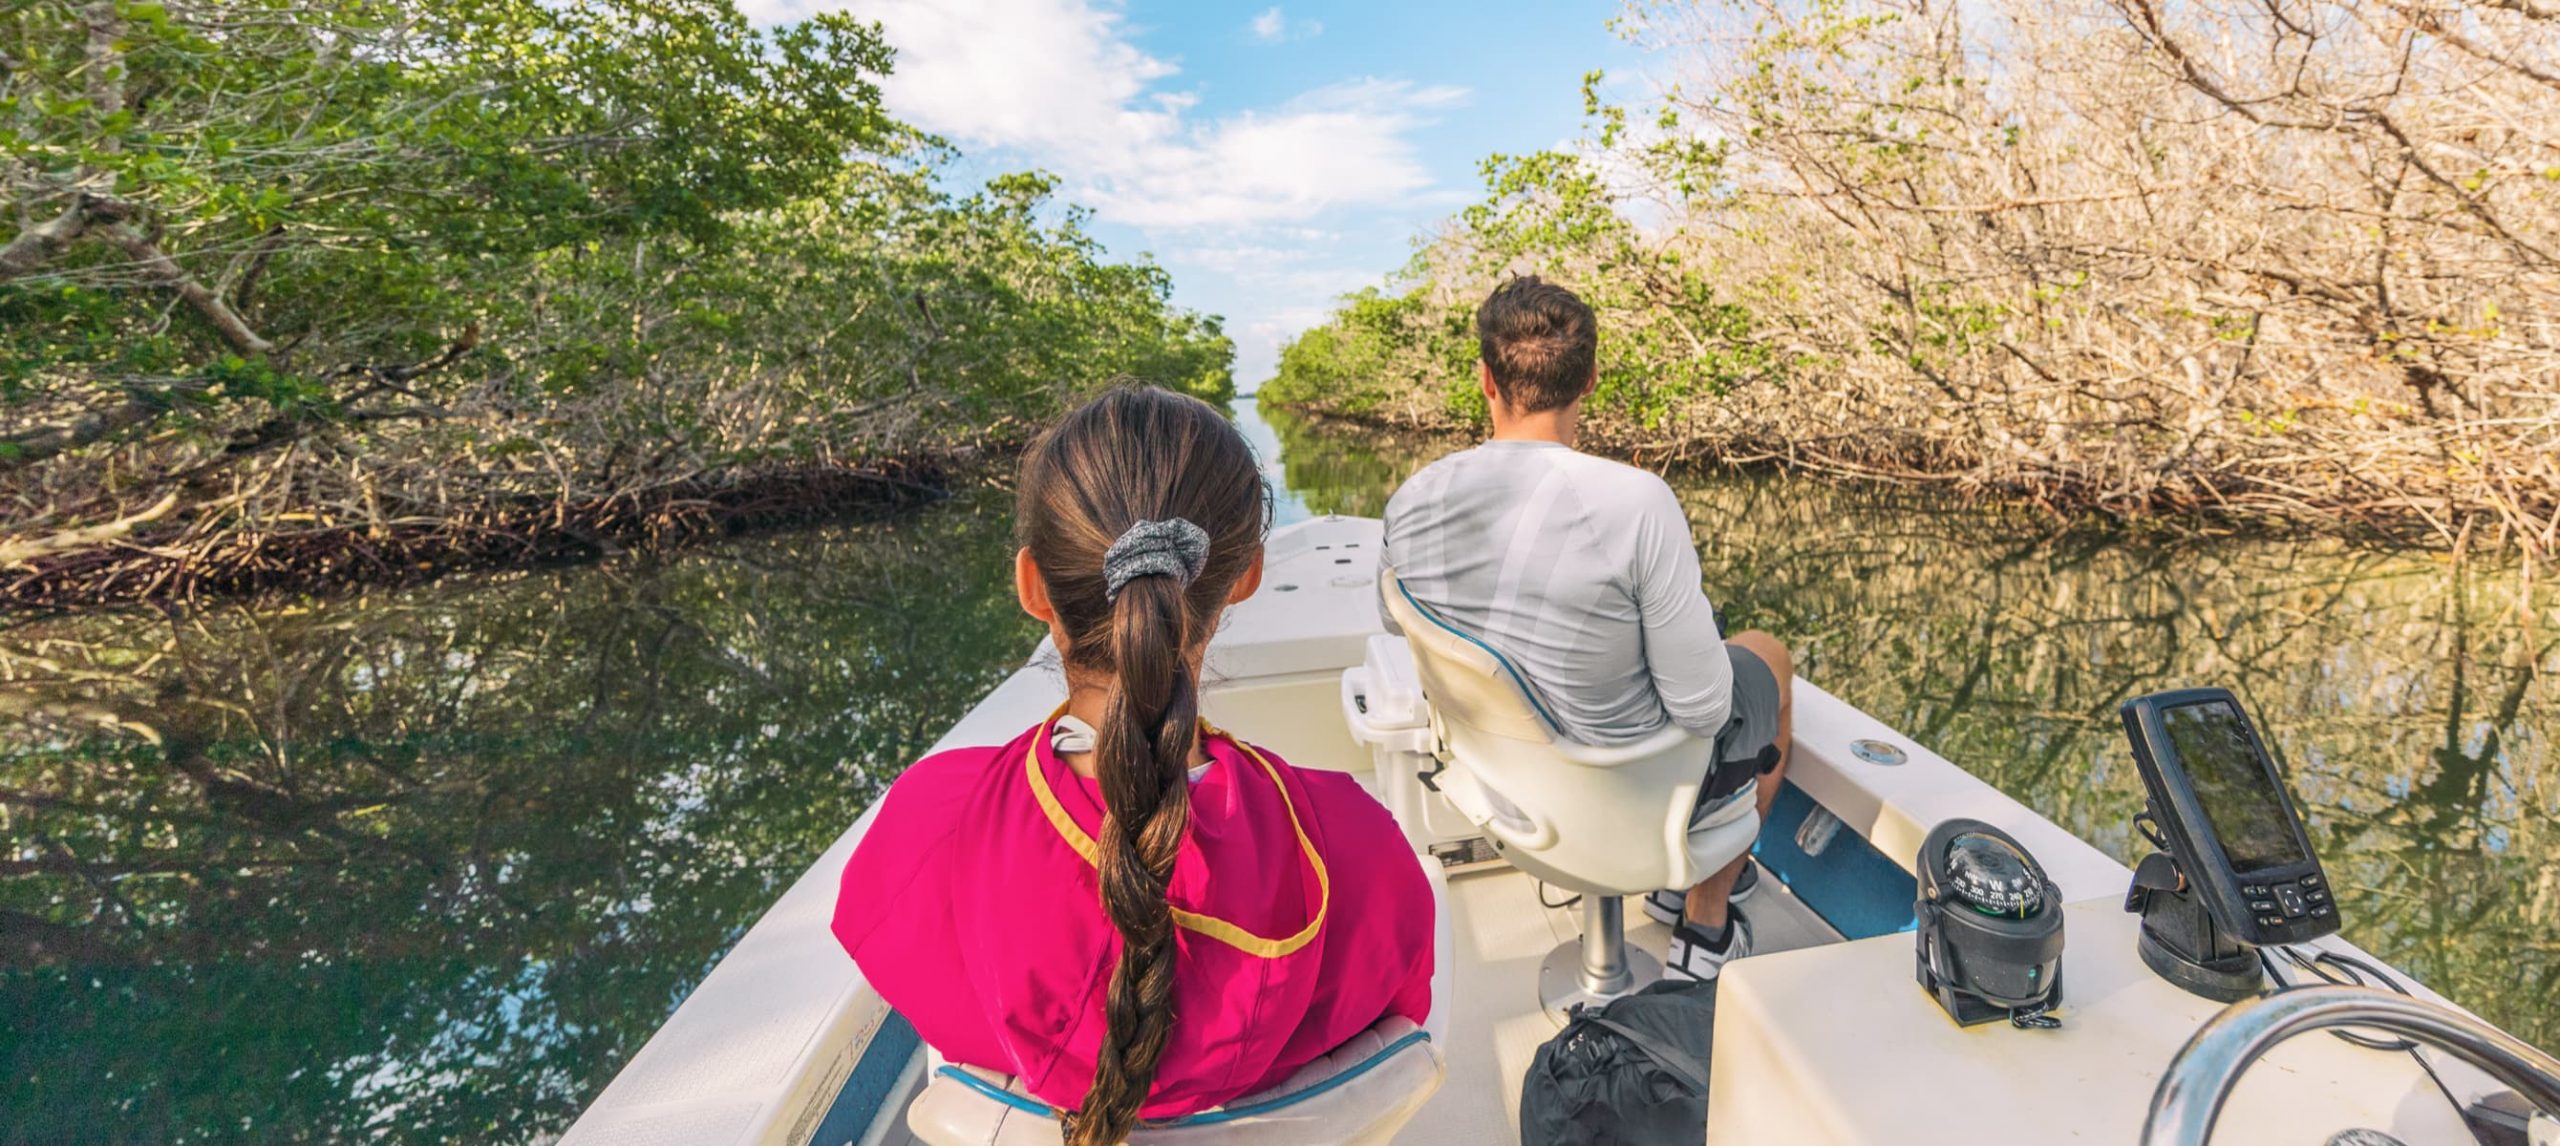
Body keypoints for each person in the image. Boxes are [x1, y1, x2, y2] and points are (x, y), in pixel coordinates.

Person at [835, 384, 1436, 1146]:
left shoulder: (932, 823)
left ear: (1032, 587)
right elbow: (1401, 1010)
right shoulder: (1352, 842)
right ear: (1246, 577)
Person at [1379, 276, 1794, 982]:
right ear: (1591, 378)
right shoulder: (1637, 500)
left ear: (1485, 378)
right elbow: (1701, 708)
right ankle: (1702, 920)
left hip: (1506, 799)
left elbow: (1397, 636)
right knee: (1767, 656)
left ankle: (1690, 888)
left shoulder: (1412, 500)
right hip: (1631, 805)